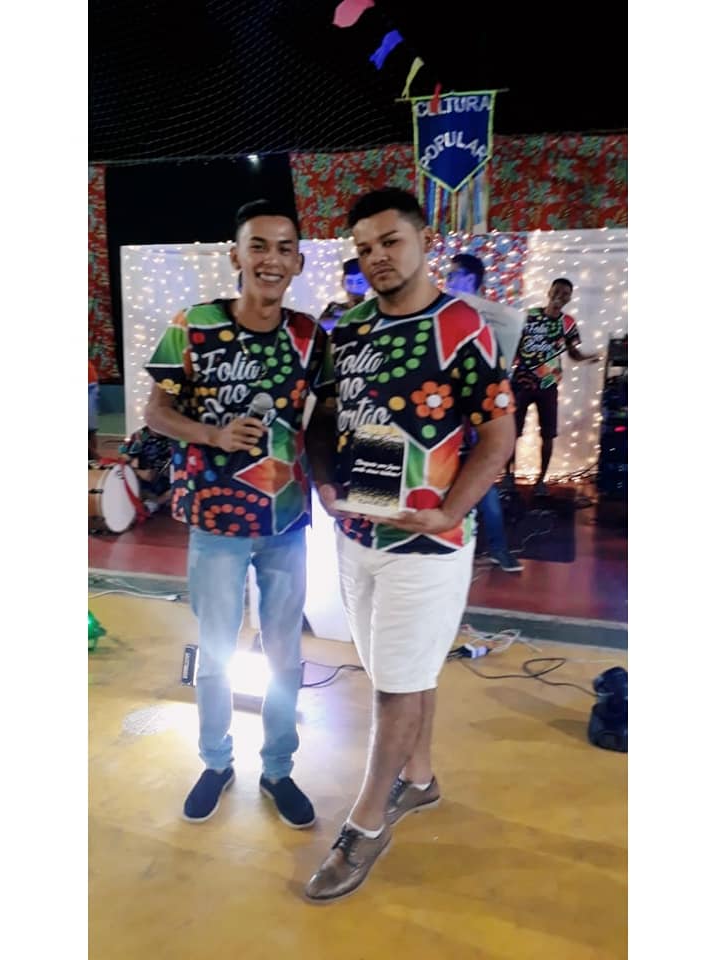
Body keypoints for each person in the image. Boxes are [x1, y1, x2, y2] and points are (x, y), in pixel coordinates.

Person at [304, 188, 516, 903]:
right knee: (397, 670)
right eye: (364, 248)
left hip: (428, 543)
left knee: (395, 686)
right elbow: (327, 415)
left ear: (424, 240)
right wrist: (326, 480)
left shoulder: (462, 326)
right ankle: (418, 780)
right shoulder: (351, 328)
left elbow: (499, 434)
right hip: (358, 531)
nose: (378, 257)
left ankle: (365, 825)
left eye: (389, 241)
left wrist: (451, 510)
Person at [143, 198, 327, 830]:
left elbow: (325, 420)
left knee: (284, 655)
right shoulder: (192, 324)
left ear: (298, 262)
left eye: (284, 248)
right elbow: (155, 413)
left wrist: (336, 486)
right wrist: (213, 435)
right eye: (258, 245)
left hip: (285, 522)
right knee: (218, 651)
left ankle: (278, 768)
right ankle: (216, 761)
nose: (271, 259)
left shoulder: (310, 336)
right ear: (236, 256)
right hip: (214, 520)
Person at [444, 253, 523, 573]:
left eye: (453, 274)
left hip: (477, 417)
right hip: (443, 413)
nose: (448, 280)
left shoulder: (492, 318)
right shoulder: (443, 312)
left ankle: (498, 548)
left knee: (482, 481)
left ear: (469, 278)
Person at [511, 278, 601, 496]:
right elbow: (513, 342)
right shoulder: (529, 315)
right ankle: (507, 476)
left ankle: (541, 481)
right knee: (512, 432)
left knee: (548, 434)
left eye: (566, 293)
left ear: (570, 298)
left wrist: (589, 357)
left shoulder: (567, 323)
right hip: (521, 381)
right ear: (549, 291)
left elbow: (573, 353)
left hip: (548, 385)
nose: (561, 295)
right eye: (558, 290)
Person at [317, 257, 370, 329]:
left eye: (360, 282)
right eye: (350, 282)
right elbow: (320, 325)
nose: (354, 287)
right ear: (343, 282)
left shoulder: (372, 308)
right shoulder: (334, 308)